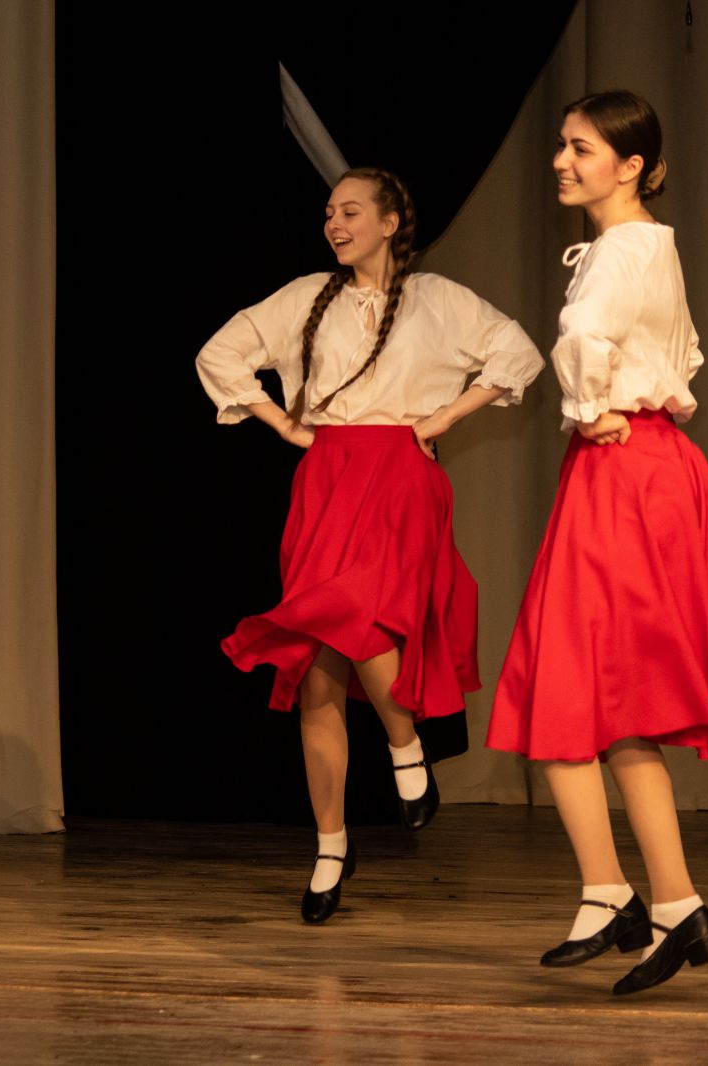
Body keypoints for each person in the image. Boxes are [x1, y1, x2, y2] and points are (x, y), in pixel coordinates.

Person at [196, 167, 542, 923]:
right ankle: (331, 847)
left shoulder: (437, 298)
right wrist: (283, 423)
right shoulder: (304, 297)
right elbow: (219, 353)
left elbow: (517, 352)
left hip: (401, 476)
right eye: (328, 212)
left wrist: (443, 419)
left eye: (350, 211)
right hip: (327, 478)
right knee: (318, 669)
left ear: (390, 223)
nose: (334, 223)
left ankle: (405, 745)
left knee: (362, 614)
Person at [486, 92, 708, 994]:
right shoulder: (649, 245)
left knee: (572, 690)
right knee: (605, 707)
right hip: (643, 469)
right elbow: (682, 357)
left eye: (581, 148)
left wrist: (588, 406)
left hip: (624, 473)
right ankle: (651, 900)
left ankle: (634, 898)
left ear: (631, 165)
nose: (562, 161)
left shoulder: (624, 247)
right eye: (562, 146)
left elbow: (584, 336)